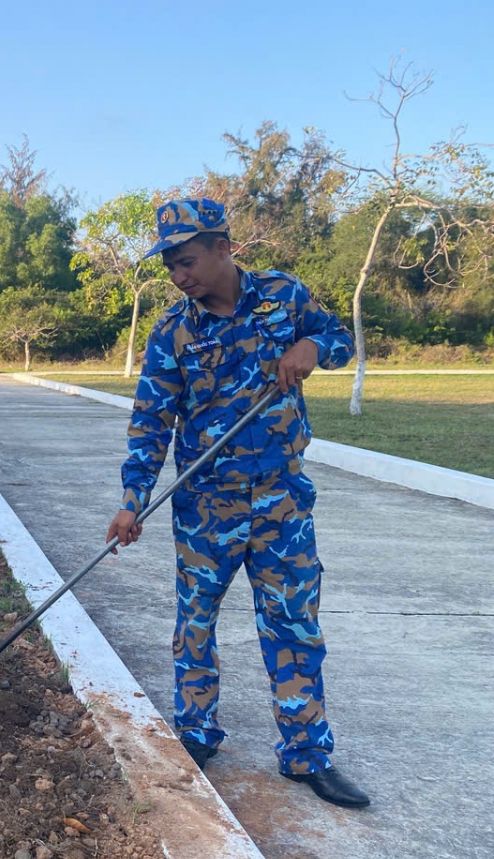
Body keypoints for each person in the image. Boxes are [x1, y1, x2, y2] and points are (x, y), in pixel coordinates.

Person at [105, 198, 369, 809]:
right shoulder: (172, 333)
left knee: (293, 626)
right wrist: (132, 500)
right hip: (206, 508)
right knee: (194, 626)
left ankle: (307, 755)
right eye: (170, 266)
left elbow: (336, 338)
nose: (179, 276)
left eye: (188, 261)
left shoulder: (283, 295)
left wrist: (313, 351)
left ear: (224, 248)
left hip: (283, 503)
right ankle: (197, 736)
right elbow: (151, 422)